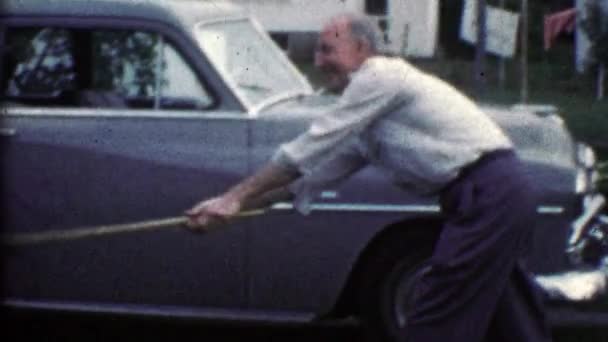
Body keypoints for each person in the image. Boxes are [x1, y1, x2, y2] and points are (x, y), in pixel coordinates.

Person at [185, 13, 553, 342]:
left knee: (436, 316)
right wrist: (228, 209)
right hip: (496, 195)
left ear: (361, 48)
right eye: (317, 52)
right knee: (511, 316)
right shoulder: (369, 123)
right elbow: (308, 179)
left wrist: (233, 196)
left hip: (490, 194)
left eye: (328, 50)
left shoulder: (379, 75)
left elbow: (308, 148)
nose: (318, 62)